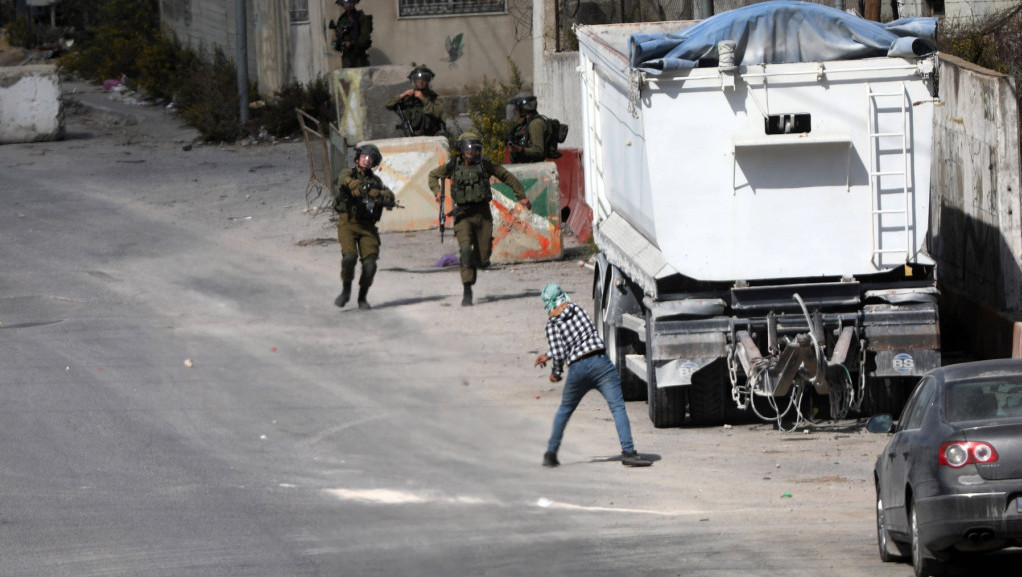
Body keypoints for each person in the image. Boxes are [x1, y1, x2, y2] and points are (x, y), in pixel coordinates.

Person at [534, 283, 653, 468]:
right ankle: (628, 452)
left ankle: (550, 454)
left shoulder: (552, 325)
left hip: (578, 369)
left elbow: (560, 352)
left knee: (565, 410)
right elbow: (582, 338)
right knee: (617, 408)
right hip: (600, 363)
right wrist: (547, 355)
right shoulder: (578, 310)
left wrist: (555, 373)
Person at [427, 132, 531, 306]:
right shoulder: (452, 165)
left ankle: (476, 263)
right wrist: (437, 191)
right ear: (461, 149)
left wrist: (521, 196)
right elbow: (432, 175)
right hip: (462, 215)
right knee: (466, 250)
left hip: (482, 214)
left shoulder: (484, 164)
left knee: (483, 259)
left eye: (475, 148)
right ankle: (467, 289)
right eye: (468, 148)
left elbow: (506, 176)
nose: (471, 151)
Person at [332, 143, 396, 310]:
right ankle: (346, 290)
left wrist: (380, 193)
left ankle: (362, 297)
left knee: (370, 264)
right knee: (349, 258)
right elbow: (342, 179)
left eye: (371, 158)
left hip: (367, 227)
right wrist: (352, 184)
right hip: (348, 223)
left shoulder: (376, 181)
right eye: (364, 157)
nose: (367, 161)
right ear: (358, 159)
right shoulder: (349, 172)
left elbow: (390, 196)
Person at [385, 65, 445, 137]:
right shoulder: (409, 97)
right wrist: (402, 95)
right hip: (413, 135)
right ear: (414, 81)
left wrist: (423, 99)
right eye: (418, 80)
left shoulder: (434, 97)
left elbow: (437, 113)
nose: (421, 82)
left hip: (433, 135)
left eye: (424, 79)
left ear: (428, 81)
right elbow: (388, 104)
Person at [507, 91, 547, 163]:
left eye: (518, 107)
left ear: (525, 107)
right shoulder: (525, 124)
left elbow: (538, 151)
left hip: (536, 167)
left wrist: (519, 149)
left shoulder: (536, 124)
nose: (516, 110)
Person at [331, 0, 372, 68]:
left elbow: (365, 38)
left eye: (350, 2)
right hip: (347, 60)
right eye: (345, 3)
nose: (348, 5)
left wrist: (351, 43)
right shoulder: (342, 20)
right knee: (347, 78)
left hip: (359, 58)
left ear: (354, 3)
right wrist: (335, 41)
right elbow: (337, 47)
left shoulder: (361, 17)